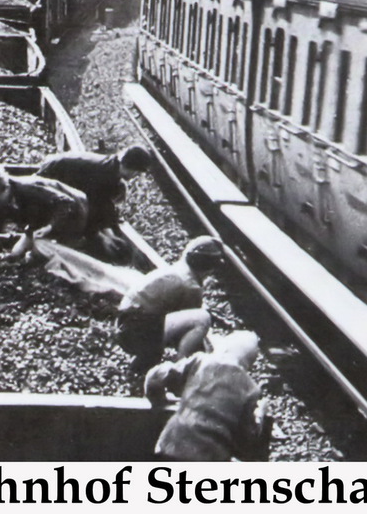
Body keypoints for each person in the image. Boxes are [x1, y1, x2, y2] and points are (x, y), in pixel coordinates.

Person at [34, 235, 224, 372]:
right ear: (208, 268)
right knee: (202, 318)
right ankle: (182, 370)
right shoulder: (191, 286)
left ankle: (141, 366)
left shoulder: (177, 269)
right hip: (138, 333)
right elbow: (189, 328)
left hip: (125, 324)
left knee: (159, 325)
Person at [145, 330, 272, 461]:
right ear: (249, 362)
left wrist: (157, 398)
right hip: (210, 457)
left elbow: (155, 376)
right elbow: (246, 440)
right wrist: (261, 415)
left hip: (172, 444)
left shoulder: (200, 362)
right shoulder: (250, 389)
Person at [0, 165, 89, 262]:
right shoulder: (4, 198)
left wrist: (49, 227)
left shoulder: (28, 189)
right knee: (23, 252)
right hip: (46, 217)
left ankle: (76, 243)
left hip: (76, 210)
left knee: (47, 257)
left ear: (5, 189)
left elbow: (65, 203)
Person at [37, 145, 152, 262]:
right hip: (46, 180)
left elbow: (104, 203)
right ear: (129, 166)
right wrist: (101, 236)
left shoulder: (112, 168)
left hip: (58, 175)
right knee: (75, 219)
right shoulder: (103, 174)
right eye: (136, 172)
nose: (135, 175)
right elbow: (89, 207)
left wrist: (110, 234)